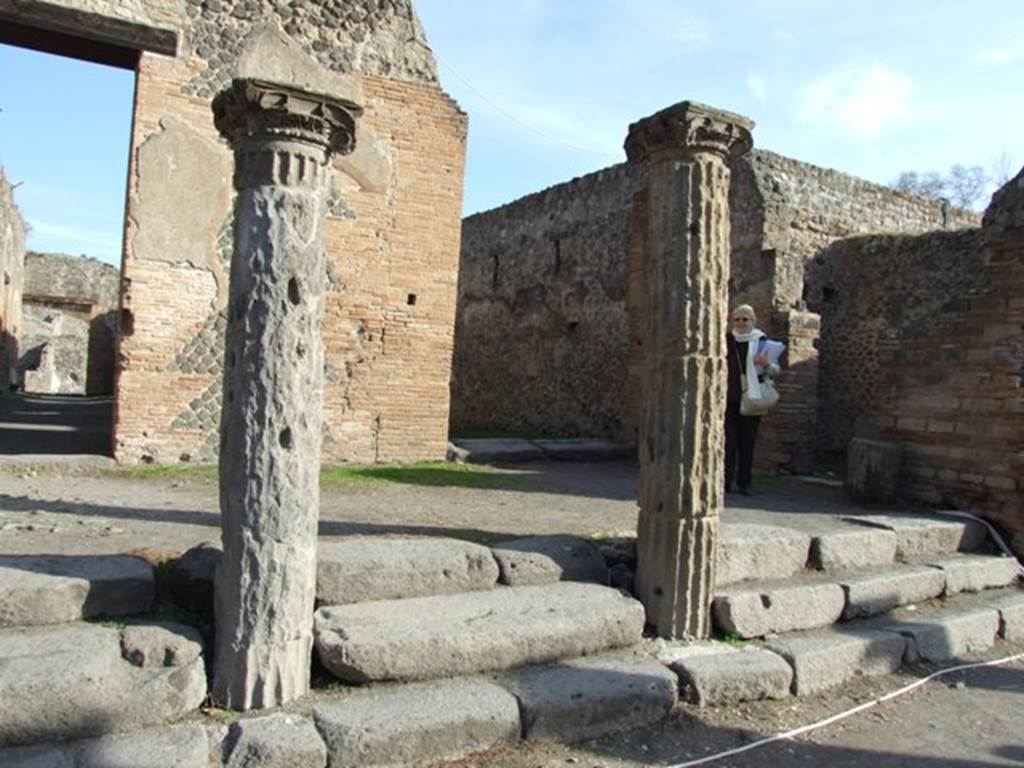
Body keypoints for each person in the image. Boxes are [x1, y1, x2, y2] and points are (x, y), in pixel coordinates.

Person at [724, 304, 779, 495]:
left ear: (752, 321)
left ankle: (744, 482)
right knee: (727, 443)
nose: (740, 322)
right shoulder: (727, 340)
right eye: (737, 319)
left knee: (747, 443)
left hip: (751, 399)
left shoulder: (760, 340)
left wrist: (766, 364)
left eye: (744, 319)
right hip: (729, 399)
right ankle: (725, 481)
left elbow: (775, 371)